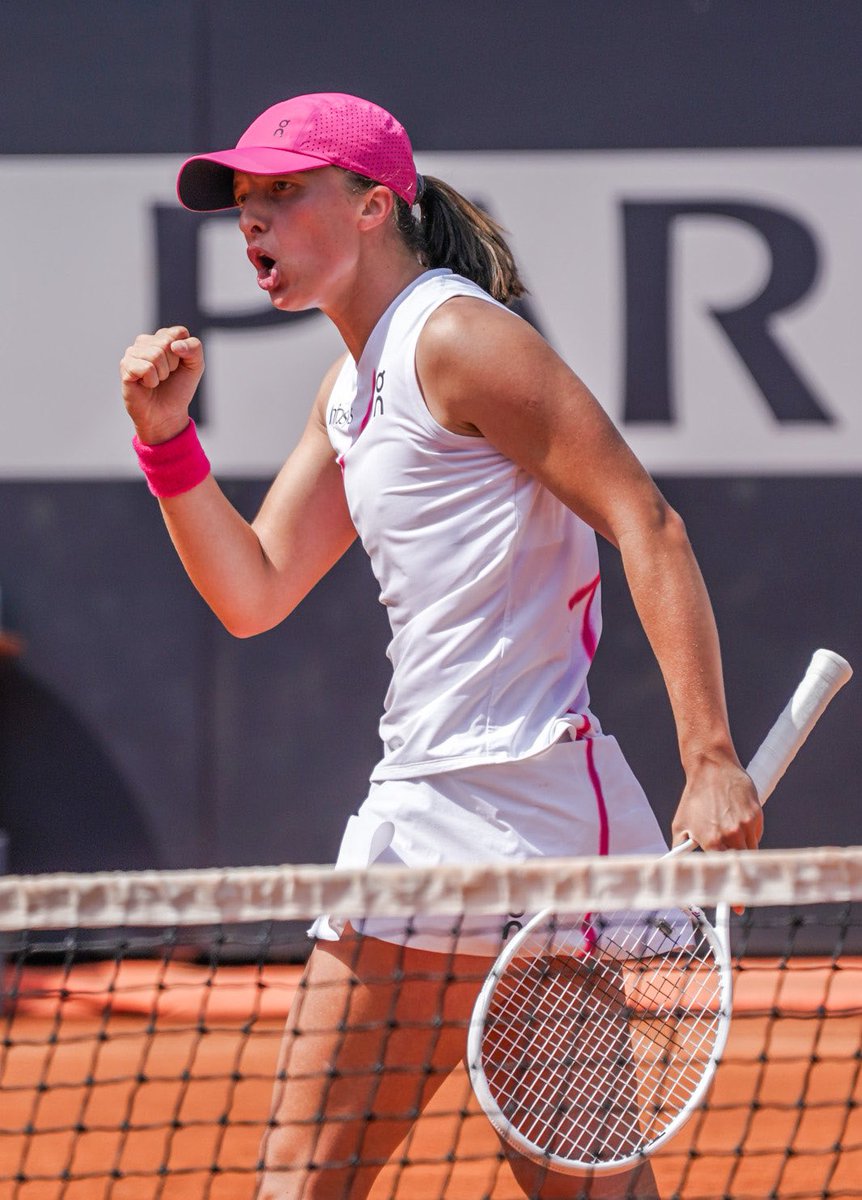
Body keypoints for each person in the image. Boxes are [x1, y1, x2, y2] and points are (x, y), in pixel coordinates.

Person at [120, 92, 762, 1200]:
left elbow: (646, 522)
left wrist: (708, 757)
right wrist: (167, 442)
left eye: (282, 192)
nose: (250, 221)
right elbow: (253, 591)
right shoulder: (350, 385)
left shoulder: (458, 338)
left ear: (373, 206)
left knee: (582, 1189)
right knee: (299, 1179)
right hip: (416, 810)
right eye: (243, 201)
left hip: (538, 815)